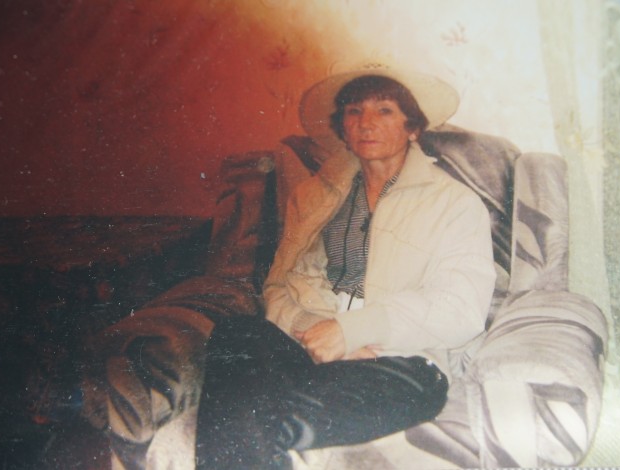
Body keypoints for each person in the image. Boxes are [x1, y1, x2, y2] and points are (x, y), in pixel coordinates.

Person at [194, 65, 496, 469]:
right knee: (237, 333)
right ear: (342, 127)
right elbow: (278, 286)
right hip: (309, 345)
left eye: (385, 110)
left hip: (400, 360)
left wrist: (352, 331)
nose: (366, 123)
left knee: (251, 419)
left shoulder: (455, 203)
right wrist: (314, 331)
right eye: (354, 111)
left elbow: (461, 308)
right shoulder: (313, 196)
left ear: (413, 128)